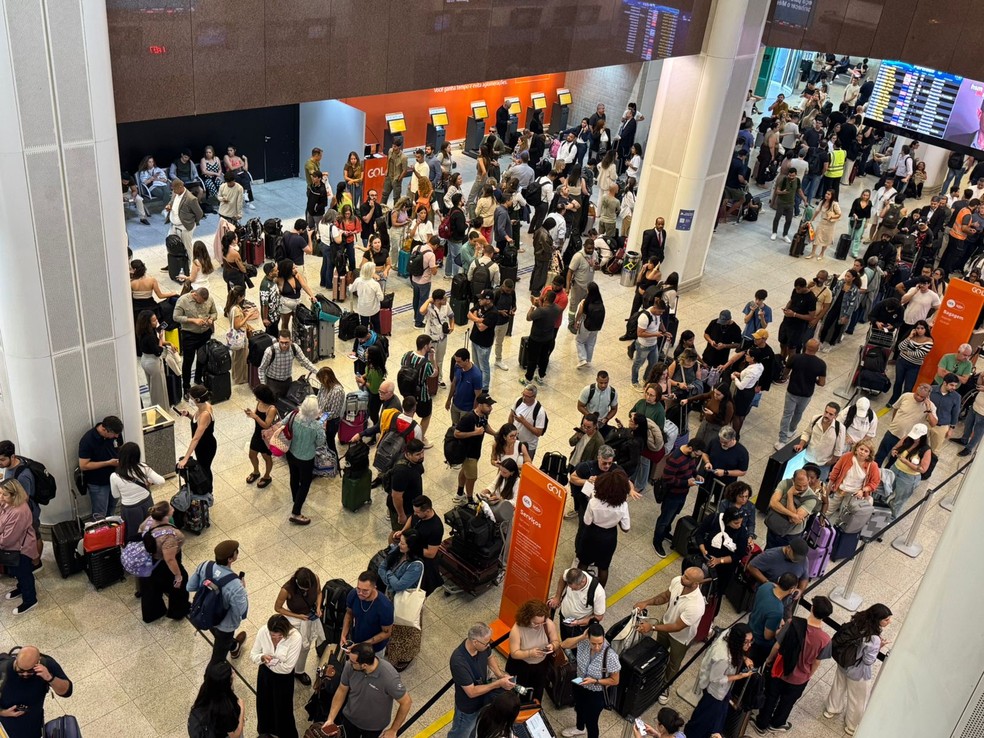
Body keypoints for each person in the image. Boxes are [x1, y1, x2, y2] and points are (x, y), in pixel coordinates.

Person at [754, 597, 834, 734]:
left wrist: (769, 660)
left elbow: (777, 645)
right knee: (787, 702)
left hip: (780, 670)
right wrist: (808, 675)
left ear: (812, 608)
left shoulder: (793, 623)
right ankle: (777, 723)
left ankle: (761, 724)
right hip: (799, 678)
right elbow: (817, 661)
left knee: (770, 695)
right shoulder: (825, 640)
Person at [633, 568, 707, 704]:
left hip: (680, 638)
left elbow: (677, 626)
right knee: (658, 652)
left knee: (673, 663)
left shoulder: (696, 605)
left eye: (687, 578)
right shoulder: (678, 581)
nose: (682, 578)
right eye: (684, 574)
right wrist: (647, 602)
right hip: (665, 624)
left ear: (696, 584)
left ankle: (665, 686)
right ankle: (653, 675)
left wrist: (652, 627)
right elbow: (666, 596)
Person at [823, 603, 893, 735]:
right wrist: (879, 647)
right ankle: (852, 725)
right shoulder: (874, 638)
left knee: (839, 685)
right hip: (858, 671)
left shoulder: (857, 621)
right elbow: (868, 660)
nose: (889, 621)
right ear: (877, 620)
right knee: (858, 699)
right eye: (886, 619)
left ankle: (831, 709)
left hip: (843, 661)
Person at [322, 642, 412, 738]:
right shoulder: (350, 666)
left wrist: (393, 730)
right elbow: (341, 690)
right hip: (350, 719)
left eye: (353, 662)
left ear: (364, 665)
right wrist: (330, 719)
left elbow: (406, 702)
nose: (349, 663)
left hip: (373, 727)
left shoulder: (389, 678)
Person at [685, 624, 755, 738]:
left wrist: (744, 658)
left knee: (718, 714)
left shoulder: (730, 636)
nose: (749, 645)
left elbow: (735, 649)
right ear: (738, 641)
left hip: (722, 691)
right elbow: (716, 679)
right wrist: (740, 676)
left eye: (750, 641)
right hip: (714, 691)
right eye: (746, 642)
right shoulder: (723, 658)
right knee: (705, 718)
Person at [187, 540, 249, 667]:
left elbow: (190, 587)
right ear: (231, 559)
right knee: (218, 658)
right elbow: (241, 611)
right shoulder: (235, 584)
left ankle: (233, 645)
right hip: (225, 624)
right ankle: (210, 681)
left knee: (220, 637)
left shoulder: (205, 565)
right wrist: (243, 589)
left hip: (205, 613)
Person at [447, 623, 515, 738]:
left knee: (473, 730)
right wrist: (498, 683)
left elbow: (490, 657)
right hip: (467, 708)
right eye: (486, 643)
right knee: (461, 733)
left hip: (482, 700)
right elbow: (471, 692)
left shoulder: (482, 646)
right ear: (475, 642)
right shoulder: (458, 661)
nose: (488, 646)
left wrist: (499, 675)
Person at [556, 622, 621, 738]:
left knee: (592, 721)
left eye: (600, 643)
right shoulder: (583, 643)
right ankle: (579, 728)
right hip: (579, 683)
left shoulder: (610, 656)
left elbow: (615, 681)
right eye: (593, 643)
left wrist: (595, 681)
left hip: (596, 692)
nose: (597, 647)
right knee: (579, 707)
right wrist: (582, 637)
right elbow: (564, 645)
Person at [576, 468, 632, 588]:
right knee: (603, 566)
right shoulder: (623, 506)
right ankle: (599, 591)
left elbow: (587, 521)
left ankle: (579, 585)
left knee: (584, 562)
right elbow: (626, 528)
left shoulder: (594, 502)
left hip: (592, 534)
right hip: (609, 537)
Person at [0, 645, 73, 737]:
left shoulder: (47, 665)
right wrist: (3, 712)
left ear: (38, 661)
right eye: (21, 670)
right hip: (6, 726)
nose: (25, 674)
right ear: (16, 660)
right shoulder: (2, 670)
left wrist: (50, 678)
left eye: (30, 670)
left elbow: (67, 692)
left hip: (34, 723)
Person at [652, 440, 707, 557]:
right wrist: (686, 483)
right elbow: (668, 479)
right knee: (665, 518)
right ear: (691, 449)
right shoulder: (675, 458)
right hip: (672, 494)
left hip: (682, 493)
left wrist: (696, 475)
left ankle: (665, 532)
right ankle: (657, 541)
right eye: (697, 455)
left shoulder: (690, 456)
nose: (697, 457)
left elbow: (691, 467)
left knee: (673, 515)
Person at [250, 614, 302, 738]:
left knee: (283, 707)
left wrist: (268, 664)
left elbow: (288, 668)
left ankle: (285, 733)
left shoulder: (295, 638)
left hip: (283, 679)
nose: (276, 639)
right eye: (273, 635)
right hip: (265, 675)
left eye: (280, 636)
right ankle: (266, 730)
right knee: (263, 703)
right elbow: (253, 654)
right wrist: (262, 657)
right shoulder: (263, 631)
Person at [504, 599, 561, 703]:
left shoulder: (547, 624)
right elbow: (514, 653)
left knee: (538, 690)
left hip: (541, 666)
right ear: (527, 618)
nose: (539, 626)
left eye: (541, 622)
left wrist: (552, 646)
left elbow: (556, 641)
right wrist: (530, 653)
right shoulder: (517, 629)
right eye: (535, 623)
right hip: (521, 666)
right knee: (519, 691)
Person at [693, 507, 749, 611]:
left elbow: (739, 554)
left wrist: (719, 560)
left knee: (716, 594)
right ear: (727, 521)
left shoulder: (742, 533)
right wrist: (703, 550)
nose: (739, 525)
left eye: (741, 522)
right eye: (736, 523)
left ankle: (710, 613)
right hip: (704, 560)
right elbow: (699, 534)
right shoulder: (714, 519)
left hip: (724, 570)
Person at [274, 567, 323, 685]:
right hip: (294, 619)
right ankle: (286, 669)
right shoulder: (286, 590)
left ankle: (299, 671)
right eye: (304, 588)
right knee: (292, 646)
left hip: (309, 617)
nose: (307, 590)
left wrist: (318, 607)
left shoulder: (315, 578)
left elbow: (319, 593)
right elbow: (278, 608)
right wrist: (297, 616)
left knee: (305, 647)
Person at [282, 395, 325, 525]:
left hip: (291, 452)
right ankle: (296, 512)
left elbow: (283, 423)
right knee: (305, 483)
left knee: (294, 476)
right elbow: (320, 442)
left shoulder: (293, 415)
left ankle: (296, 498)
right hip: (306, 458)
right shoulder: (316, 426)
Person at [776, 338, 827, 446]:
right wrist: (815, 380)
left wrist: (788, 376)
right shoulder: (821, 364)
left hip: (792, 391)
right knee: (798, 413)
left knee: (787, 414)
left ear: (805, 346)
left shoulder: (794, 357)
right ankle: (791, 430)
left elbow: (785, 373)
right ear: (817, 349)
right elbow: (822, 383)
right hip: (806, 393)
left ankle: (782, 440)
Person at [875, 383, 938, 465]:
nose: (918, 397)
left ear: (928, 396)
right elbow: (896, 408)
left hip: (908, 440)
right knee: (880, 455)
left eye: (922, 397)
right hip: (893, 432)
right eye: (917, 394)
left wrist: (928, 409)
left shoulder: (931, 406)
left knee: (894, 461)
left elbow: (933, 423)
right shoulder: (906, 396)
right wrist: (894, 422)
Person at [0, 480, 39, 615]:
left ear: (14, 495)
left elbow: (8, 539)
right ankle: (21, 588)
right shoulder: (7, 504)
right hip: (13, 547)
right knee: (17, 572)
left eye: (4, 495)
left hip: (21, 549)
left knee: (24, 573)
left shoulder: (19, 511)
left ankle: (30, 600)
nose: (1, 498)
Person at [77, 415, 123, 520]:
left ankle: (111, 531)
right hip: (98, 483)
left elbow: (119, 448)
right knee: (100, 514)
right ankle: (100, 534)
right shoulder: (88, 440)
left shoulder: (116, 434)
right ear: (104, 430)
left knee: (112, 508)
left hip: (115, 479)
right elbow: (83, 465)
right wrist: (108, 463)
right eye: (114, 434)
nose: (117, 436)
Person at [453, 393, 496, 506]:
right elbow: (457, 434)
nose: (491, 408)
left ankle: (459, 493)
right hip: (468, 453)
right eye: (488, 406)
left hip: (476, 451)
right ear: (480, 405)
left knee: (464, 472)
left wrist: (495, 434)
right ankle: (470, 499)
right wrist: (474, 433)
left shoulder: (484, 415)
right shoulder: (469, 417)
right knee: (472, 477)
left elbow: (485, 426)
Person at [748, 573, 799, 666]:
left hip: (750, 626)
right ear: (792, 589)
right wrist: (781, 630)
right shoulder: (777, 610)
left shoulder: (766, 586)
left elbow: (765, 607)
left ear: (779, 580)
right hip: (759, 644)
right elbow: (767, 636)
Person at [826, 439, 880, 526]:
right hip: (839, 490)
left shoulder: (872, 466)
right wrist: (828, 489)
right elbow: (835, 472)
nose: (862, 452)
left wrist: (863, 490)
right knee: (827, 510)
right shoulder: (846, 457)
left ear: (869, 454)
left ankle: (835, 533)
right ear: (856, 449)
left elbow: (875, 482)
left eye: (866, 451)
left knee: (843, 517)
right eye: (861, 449)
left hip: (853, 495)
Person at [885, 423, 933, 519]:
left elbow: (923, 469)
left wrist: (906, 462)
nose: (914, 438)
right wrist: (894, 451)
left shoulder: (926, 450)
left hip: (908, 477)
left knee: (899, 499)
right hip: (895, 469)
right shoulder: (908, 439)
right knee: (885, 490)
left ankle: (891, 517)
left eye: (917, 437)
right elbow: (896, 447)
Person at [341, 571, 395, 655]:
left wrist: (362, 645)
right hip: (357, 639)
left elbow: (387, 632)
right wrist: (344, 634)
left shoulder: (385, 607)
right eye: (358, 589)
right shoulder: (353, 594)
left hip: (375, 648)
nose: (360, 593)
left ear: (374, 588)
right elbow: (349, 614)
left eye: (365, 591)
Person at [764, 469, 820, 548]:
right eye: (798, 485)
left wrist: (789, 494)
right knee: (768, 549)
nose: (802, 488)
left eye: (805, 485)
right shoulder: (785, 483)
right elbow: (773, 503)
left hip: (789, 535)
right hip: (774, 527)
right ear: (793, 480)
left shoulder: (812, 499)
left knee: (782, 557)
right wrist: (793, 514)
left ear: (808, 480)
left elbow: (793, 520)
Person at [188, 661, 245, 738]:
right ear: (227, 682)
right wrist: (242, 709)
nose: (234, 672)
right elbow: (235, 735)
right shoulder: (226, 708)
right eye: (231, 673)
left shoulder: (205, 690)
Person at [548, 567, 606, 640]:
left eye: (574, 589)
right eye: (570, 587)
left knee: (574, 648)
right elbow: (563, 577)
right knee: (564, 639)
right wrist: (557, 597)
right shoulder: (571, 574)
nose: (571, 590)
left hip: (578, 627)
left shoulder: (598, 593)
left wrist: (578, 622)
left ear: (582, 581)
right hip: (564, 618)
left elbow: (599, 617)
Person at [258, 330, 318, 399]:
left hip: (287, 381)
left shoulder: (294, 348)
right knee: (273, 403)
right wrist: (264, 386)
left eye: (286, 343)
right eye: (282, 342)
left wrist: (318, 372)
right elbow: (261, 369)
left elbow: (305, 361)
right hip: (273, 382)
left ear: (290, 340)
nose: (284, 345)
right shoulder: (270, 351)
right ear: (278, 340)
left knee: (288, 404)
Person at [888, 319, 934, 407]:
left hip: (914, 366)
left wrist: (907, 352)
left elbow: (919, 354)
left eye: (922, 328)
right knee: (898, 382)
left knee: (908, 387)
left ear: (926, 329)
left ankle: (904, 402)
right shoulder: (911, 336)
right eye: (918, 328)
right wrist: (909, 337)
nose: (919, 330)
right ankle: (894, 399)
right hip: (901, 362)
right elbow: (900, 347)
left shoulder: (929, 341)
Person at [746, 538, 810, 595]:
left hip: (787, 598)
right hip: (768, 594)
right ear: (788, 548)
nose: (797, 560)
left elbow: (804, 578)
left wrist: (800, 590)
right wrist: (767, 582)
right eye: (795, 557)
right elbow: (751, 566)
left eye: (799, 558)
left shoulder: (804, 560)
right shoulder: (771, 555)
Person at [633, 298, 672, 389]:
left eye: (662, 312)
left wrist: (664, 331)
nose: (661, 314)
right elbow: (640, 333)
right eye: (660, 311)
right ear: (655, 307)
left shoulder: (658, 315)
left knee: (653, 364)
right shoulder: (644, 317)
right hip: (643, 345)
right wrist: (655, 334)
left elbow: (660, 322)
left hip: (653, 344)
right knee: (638, 364)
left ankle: (646, 378)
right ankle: (634, 381)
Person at [135, 309, 170, 409]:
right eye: (154, 321)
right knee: (158, 389)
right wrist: (160, 338)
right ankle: (161, 408)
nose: (157, 322)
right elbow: (158, 351)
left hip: (144, 359)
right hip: (153, 362)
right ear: (148, 323)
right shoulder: (150, 336)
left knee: (152, 387)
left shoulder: (141, 331)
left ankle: (155, 405)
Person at [165, 179, 204, 260]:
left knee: (187, 247)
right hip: (173, 225)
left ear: (180, 187)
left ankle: (191, 265)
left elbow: (199, 213)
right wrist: (169, 205)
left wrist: (192, 222)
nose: (173, 191)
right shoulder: (175, 193)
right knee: (170, 244)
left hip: (185, 226)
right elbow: (171, 201)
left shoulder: (191, 199)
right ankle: (172, 263)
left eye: (174, 189)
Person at [806, 188, 842, 260]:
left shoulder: (834, 204)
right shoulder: (822, 202)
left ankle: (822, 253)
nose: (826, 195)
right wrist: (811, 220)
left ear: (832, 196)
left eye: (829, 194)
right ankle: (812, 253)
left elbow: (839, 214)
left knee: (826, 239)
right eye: (826, 193)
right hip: (822, 222)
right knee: (816, 238)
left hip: (830, 224)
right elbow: (817, 211)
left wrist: (832, 216)